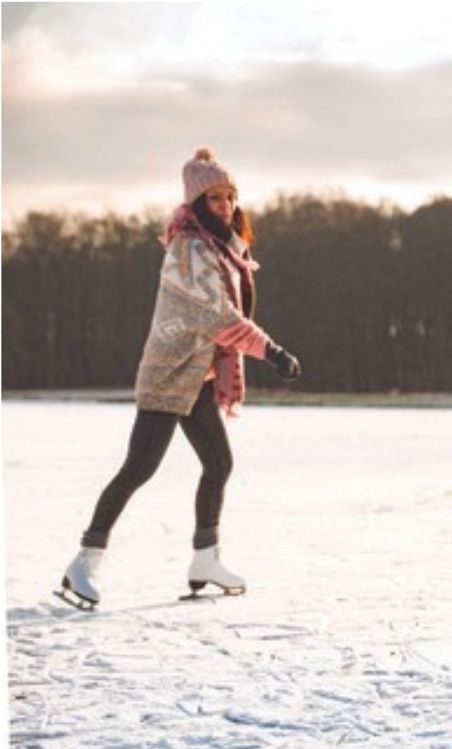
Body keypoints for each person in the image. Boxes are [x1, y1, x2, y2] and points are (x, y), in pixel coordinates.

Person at [56, 148, 303, 610]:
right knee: (140, 467)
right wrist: (271, 351)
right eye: (215, 198)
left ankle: (205, 559)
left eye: (231, 196)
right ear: (196, 203)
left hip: (199, 377)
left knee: (218, 463)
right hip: (169, 374)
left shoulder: (225, 249)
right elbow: (218, 315)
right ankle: (85, 561)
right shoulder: (187, 249)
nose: (226, 205)